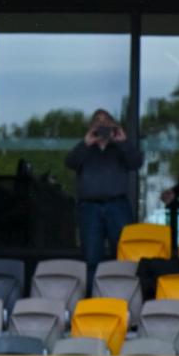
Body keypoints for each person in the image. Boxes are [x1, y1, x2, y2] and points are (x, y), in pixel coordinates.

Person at [65, 108, 141, 270]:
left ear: (113, 124)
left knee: (123, 255)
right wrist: (86, 143)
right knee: (91, 257)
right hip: (89, 207)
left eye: (106, 121)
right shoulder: (85, 149)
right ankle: (93, 294)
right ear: (91, 126)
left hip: (117, 205)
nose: (102, 124)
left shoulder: (119, 148)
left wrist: (123, 141)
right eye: (98, 121)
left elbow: (136, 162)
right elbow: (70, 162)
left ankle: (123, 293)